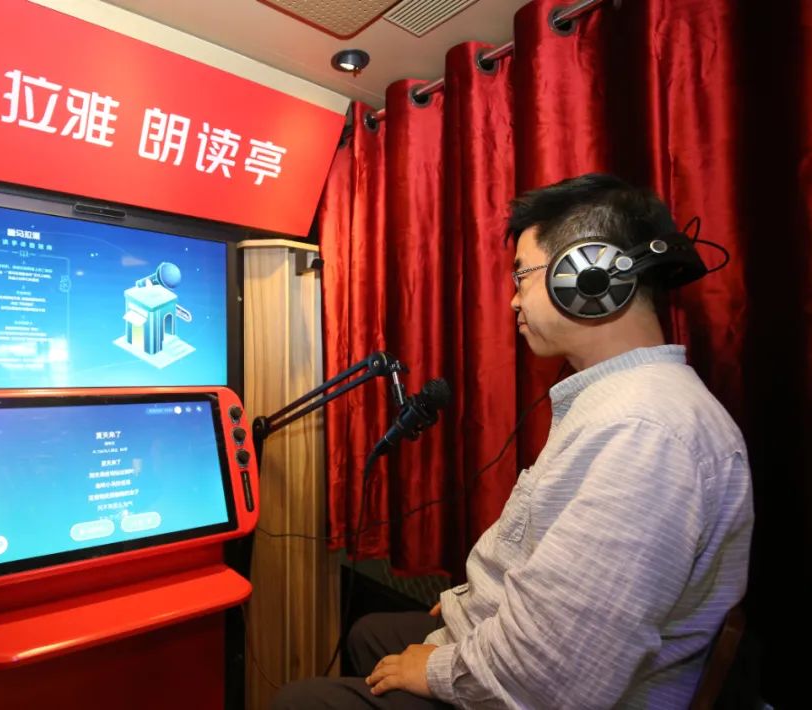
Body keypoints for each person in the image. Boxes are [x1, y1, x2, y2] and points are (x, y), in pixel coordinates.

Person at [271, 174, 753, 709]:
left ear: (587, 275)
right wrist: (477, 600)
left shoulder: (643, 432)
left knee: (299, 701)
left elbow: (555, 675)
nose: (512, 301)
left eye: (522, 276)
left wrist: (438, 669)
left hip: (543, 690)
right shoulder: (619, 402)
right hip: (522, 648)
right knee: (369, 633)